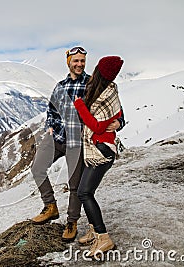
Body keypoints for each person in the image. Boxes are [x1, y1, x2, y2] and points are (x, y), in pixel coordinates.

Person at [30, 47, 125, 242]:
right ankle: (50, 206)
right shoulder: (60, 86)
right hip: (56, 138)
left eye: (82, 61)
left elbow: (116, 109)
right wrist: (51, 127)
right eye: (76, 61)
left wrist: (120, 122)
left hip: (78, 141)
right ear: (68, 62)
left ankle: (72, 222)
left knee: (75, 185)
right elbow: (51, 111)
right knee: (37, 167)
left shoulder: (94, 84)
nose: (80, 64)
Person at [73, 55, 124, 257]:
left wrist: (79, 106)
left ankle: (103, 237)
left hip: (101, 151)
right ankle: (95, 230)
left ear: (100, 71)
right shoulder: (98, 89)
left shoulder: (107, 95)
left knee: (84, 193)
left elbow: (97, 125)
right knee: (84, 192)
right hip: (93, 148)